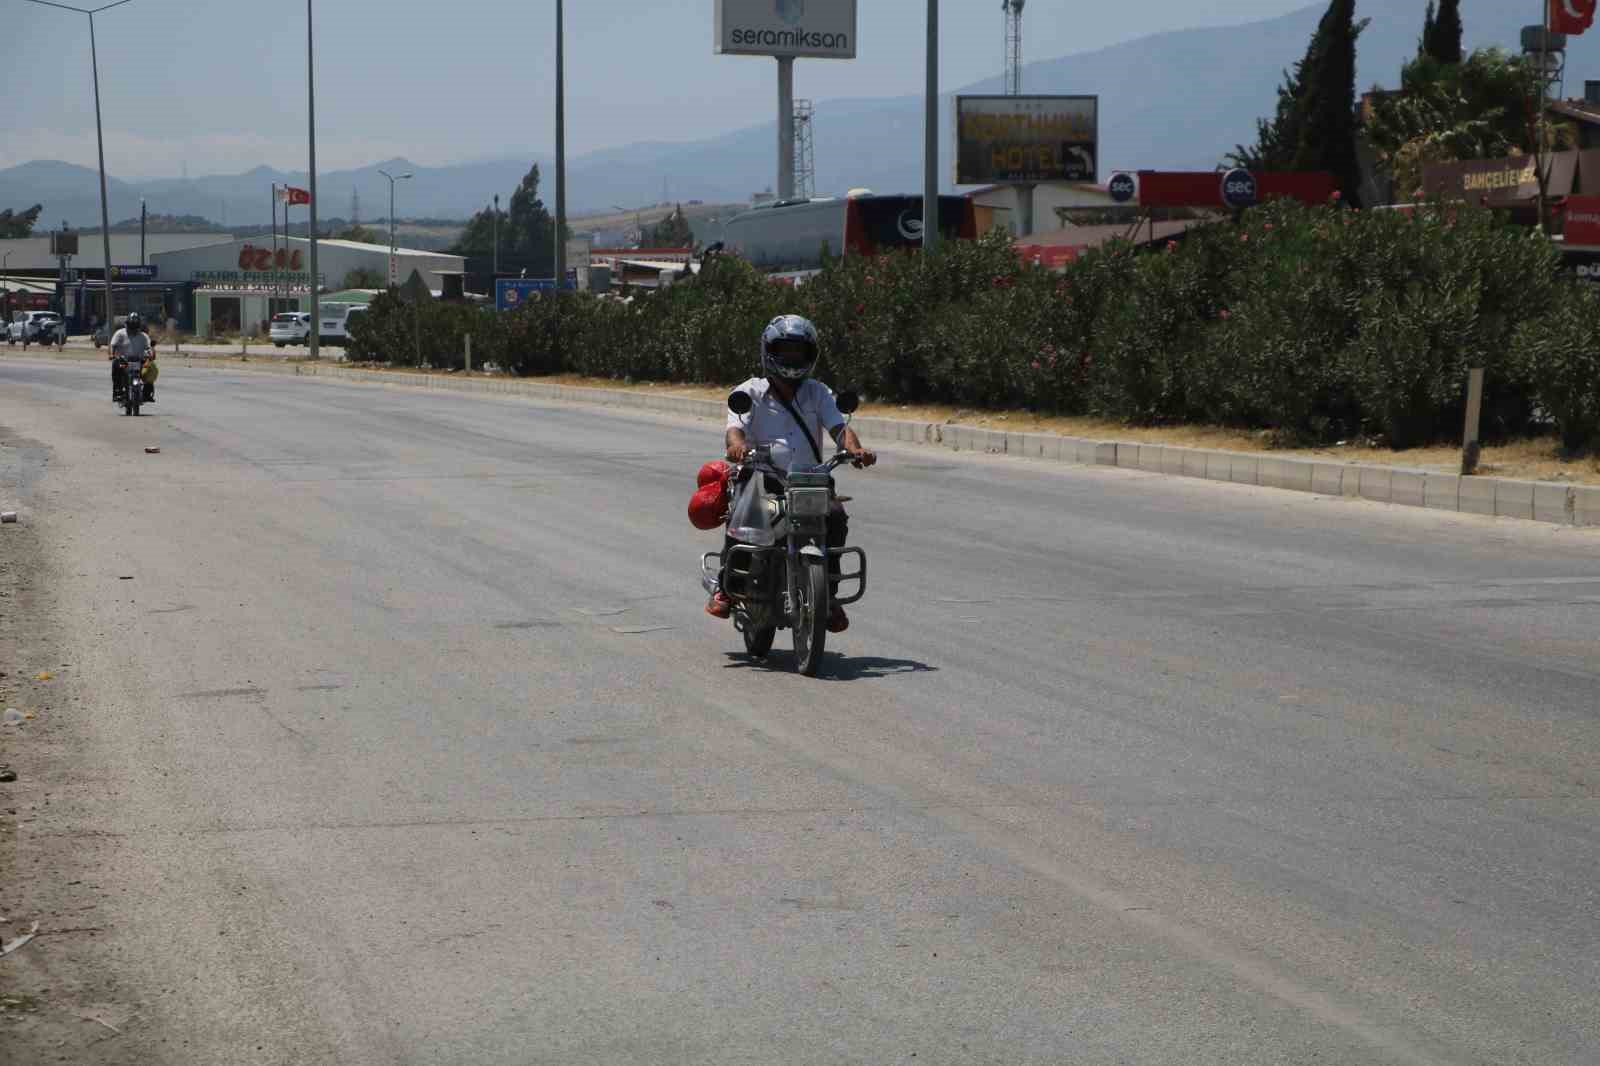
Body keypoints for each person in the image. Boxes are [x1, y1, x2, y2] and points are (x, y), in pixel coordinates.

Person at [708, 314, 876, 632]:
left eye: (799, 351)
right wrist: (737, 448)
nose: (792, 358)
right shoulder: (749, 392)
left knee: (836, 517)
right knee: (746, 518)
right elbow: (734, 431)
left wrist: (855, 450)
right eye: (785, 350)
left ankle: (831, 597)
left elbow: (840, 429)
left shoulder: (818, 392)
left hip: (809, 481)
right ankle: (725, 588)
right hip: (762, 475)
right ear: (769, 351)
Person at [109, 312, 152, 401]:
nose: (133, 328)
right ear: (126, 324)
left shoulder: (143, 336)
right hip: (124, 361)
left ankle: (147, 393)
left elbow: (149, 347)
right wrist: (112, 354)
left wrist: (150, 355)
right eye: (131, 325)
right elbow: (113, 345)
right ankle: (118, 391)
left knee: (151, 369)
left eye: (135, 326)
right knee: (115, 366)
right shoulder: (120, 334)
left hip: (140, 361)